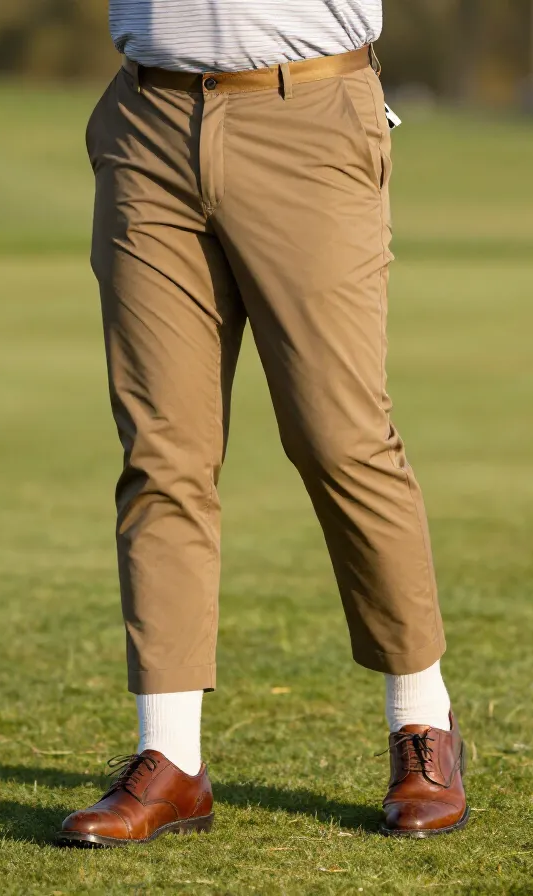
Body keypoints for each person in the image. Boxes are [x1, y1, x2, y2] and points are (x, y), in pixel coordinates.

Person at [57, 0, 467, 847]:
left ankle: (421, 724)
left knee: (340, 437)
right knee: (162, 451)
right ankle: (170, 759)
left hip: (308, 111)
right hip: (149, 119)